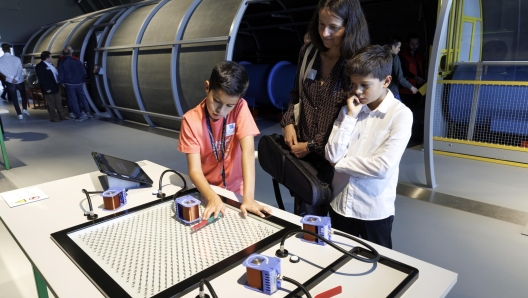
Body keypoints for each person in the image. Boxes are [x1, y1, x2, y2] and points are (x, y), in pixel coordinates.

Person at [280, 0, 369, 216]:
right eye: (321, 24)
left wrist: (311, 146)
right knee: (305, 219)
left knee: (334, 224)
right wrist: (289, 122)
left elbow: (355, 117)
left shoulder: (356, 63)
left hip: (336, 161)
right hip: (302, 156)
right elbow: (296, 94)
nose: (325, 33)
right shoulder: (308, 52)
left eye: (334, 27)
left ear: (350, 26)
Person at [325, 45, 413, 248]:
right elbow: (331, 153)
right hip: (340, 203)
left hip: (373, 211)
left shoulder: (400, 115)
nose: (357, 91)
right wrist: (351, 116)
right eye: (354, 84)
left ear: (386, 81)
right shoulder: (349, 110)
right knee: (338, 258)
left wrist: (340, 164)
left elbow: (382, 167)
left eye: (365, 85)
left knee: (380, 266)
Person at [178, 61, 272, 220]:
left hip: (237, 190)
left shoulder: (240, 107)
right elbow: (194, 170)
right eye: (216, 101)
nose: (220, 110)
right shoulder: (190, 120)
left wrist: (248, 198)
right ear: (207, 87)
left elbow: (248, 153)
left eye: (229, 105)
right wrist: (212, 196)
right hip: (207, 190)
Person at [399, 32, 426, 141]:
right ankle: (406, 136)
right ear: (407, 43)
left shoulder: (420, 54)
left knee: (417, 111)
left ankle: (415, 134)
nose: (414, 46)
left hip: (419, 88)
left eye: (416, 43)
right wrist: (415, 78)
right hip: (407, 89)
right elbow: (404, 71)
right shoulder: (402, 56)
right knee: (407, 113)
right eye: (412, 44)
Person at [35, 51, 71, 122]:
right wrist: (46, 88)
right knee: (51, 103)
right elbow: (41, 79)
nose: (52, 58)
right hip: (49, 88)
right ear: (46, 58)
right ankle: (53, 117)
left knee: (59, 102)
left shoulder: (50, 64)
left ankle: (62, 116)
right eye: (50, 56)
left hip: (56, 86)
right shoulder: (40, 66)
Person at [58, 48, 91, 121]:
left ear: (63, 54)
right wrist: (83, 80)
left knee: (73, 100)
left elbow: (61, 74)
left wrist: (62, 82)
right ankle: (88, 112)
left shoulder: (62, 63)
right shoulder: (77, 61)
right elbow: (83, 72)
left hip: (69, 84)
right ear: (70, 53)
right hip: (79, 83)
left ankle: (79, 115)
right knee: (83, 98)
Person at [0, 43, 30, 119]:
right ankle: (24, 109)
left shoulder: (1, 59)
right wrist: (16, 77)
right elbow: (20, 69)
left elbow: (1, 70)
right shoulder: (16, 58)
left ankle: (19, 114)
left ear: (3, 50)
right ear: (9, 49)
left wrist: (11, 77)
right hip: (19, 79)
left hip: (9, 81)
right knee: (23, 95)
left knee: (14, 98)